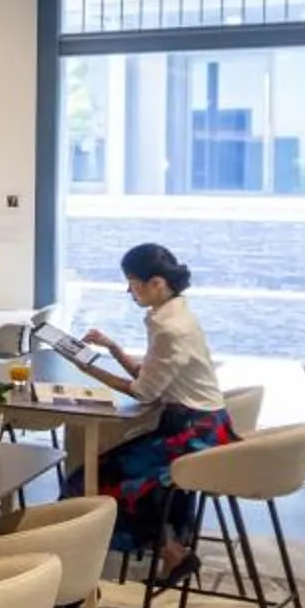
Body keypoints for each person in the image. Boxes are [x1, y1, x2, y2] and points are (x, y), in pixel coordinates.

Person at [73, 241, 231, 582]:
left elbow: (144, 392)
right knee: (113, 471)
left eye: (132, 283)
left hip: (192, 432)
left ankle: (86, 570)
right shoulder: (176, 315)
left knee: (96, 478)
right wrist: (113, 349)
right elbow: (154, 379)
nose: (130, 292)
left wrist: (87, 368)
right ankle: (173, 551)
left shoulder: (169, 328)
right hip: (202, 423)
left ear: (155, 283)